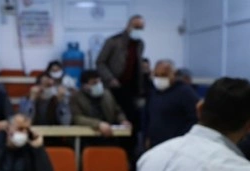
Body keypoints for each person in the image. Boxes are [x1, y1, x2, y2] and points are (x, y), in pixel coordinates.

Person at [96, 15, 146, 145]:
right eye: (136, 27)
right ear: (128, 26)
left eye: (141, 27)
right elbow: (100, 62)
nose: (138, 30)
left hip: (133, 88)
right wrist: (110, 79)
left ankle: (131, 154)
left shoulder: (140, 44)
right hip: (115, 88)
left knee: (133, 123)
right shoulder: (113, 41)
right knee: (115, 119)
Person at [143, 59, 200, 149]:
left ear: (173, 74)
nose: (159, 79)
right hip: (155, 144)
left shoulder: (185, 92)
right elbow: (148, 116)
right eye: (156, 75)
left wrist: (182, 138)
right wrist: (146, 137)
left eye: (164, 75)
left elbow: (195, 118)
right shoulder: (153, 92)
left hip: (177, 145)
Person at [69, 70, 130, 135]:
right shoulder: (76, 97)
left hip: (109, 133)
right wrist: (98, 124)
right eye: (94, 83)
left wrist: (123, 120)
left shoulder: (107, 94)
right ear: (85, 86)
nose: (98, 85)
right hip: (87, 135)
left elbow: (117, 111)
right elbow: (77, 118)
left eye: (99, 82)